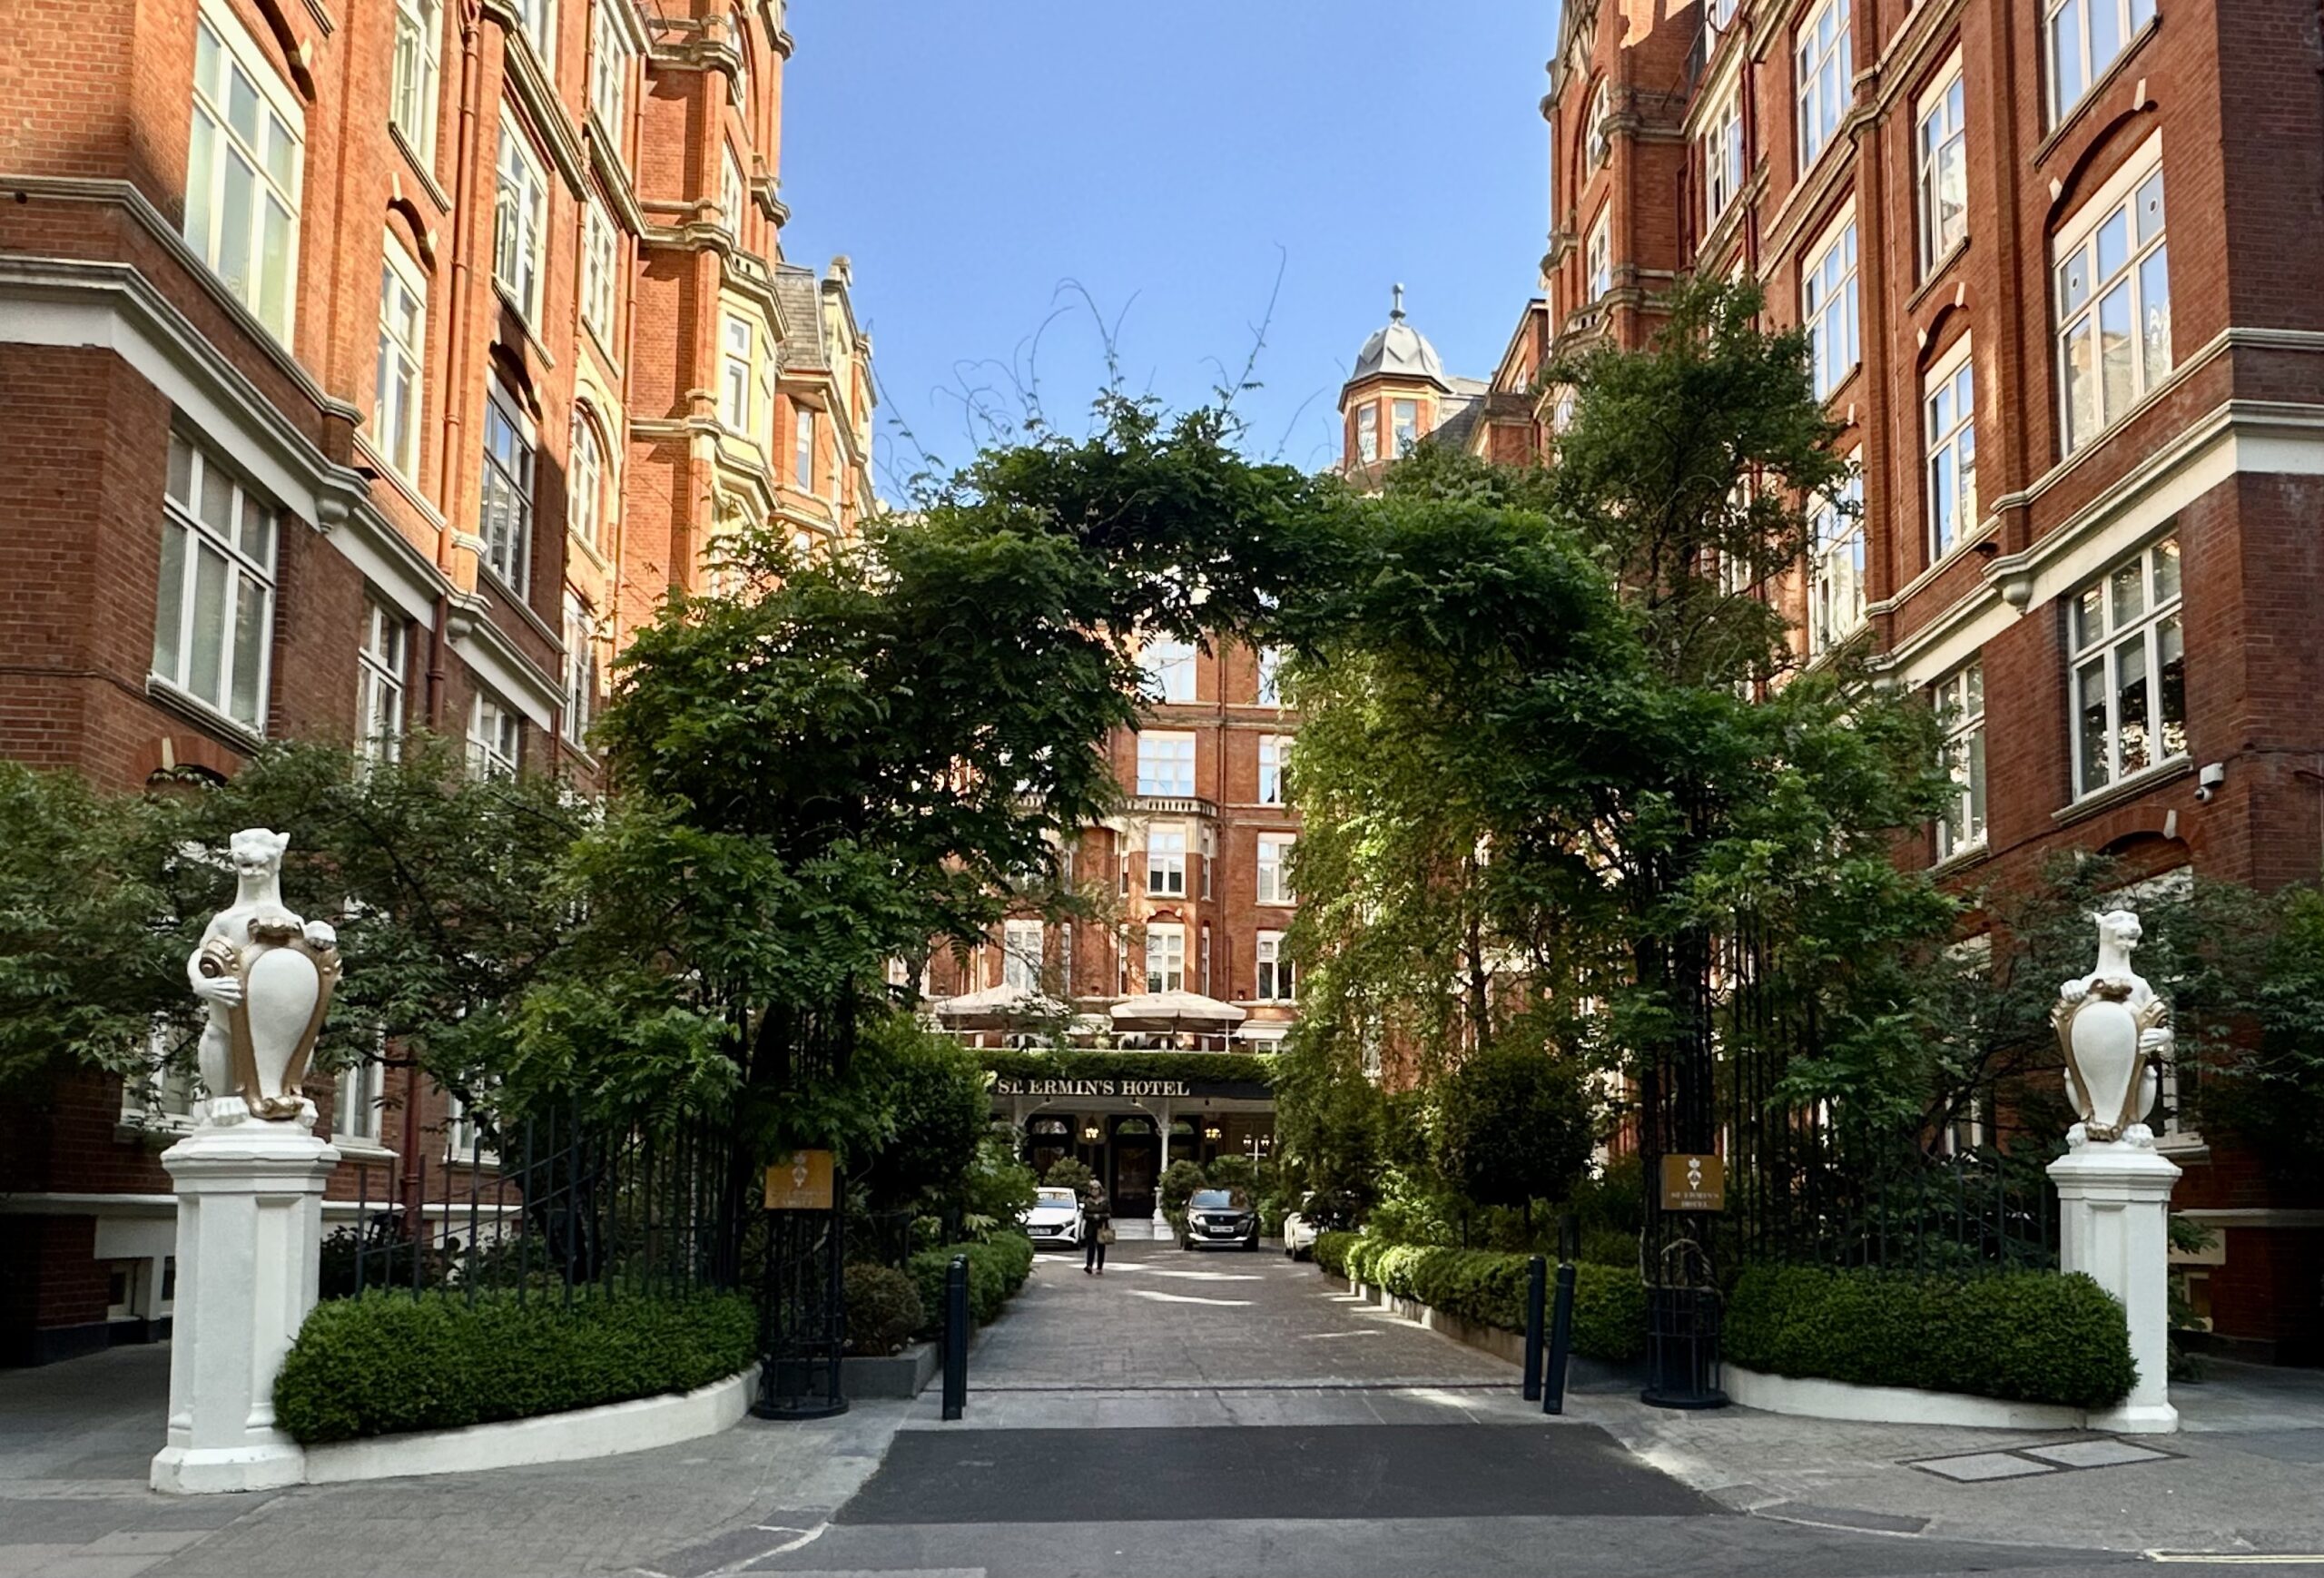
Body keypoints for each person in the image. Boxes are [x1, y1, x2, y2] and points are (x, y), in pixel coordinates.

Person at [1081, 1178, 1112, 1274]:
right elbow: (1085, 1214)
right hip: (1090, 1227)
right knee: (1090, 1247)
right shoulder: (1087, 1201)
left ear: (1100, 1190)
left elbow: (1109, 1213)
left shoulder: (1105, 1201)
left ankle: (1099, 1267)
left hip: (1101, 1226)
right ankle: (1089, 1265)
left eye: (1096, 1189)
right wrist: (1092, 1216)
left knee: (1101, 1247)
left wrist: (1100, 1216)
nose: (1094, 1191)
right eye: (1093, 1189)